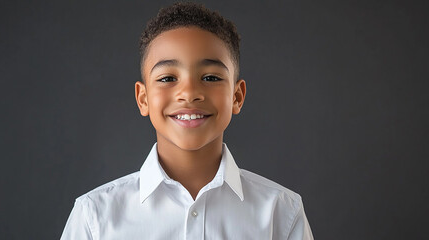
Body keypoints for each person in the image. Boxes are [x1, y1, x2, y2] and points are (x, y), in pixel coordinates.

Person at [61, 2, 313, 239]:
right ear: (143, 98)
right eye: (168, 78)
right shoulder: (94, 217)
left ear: (237, 96)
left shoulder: (281, 213)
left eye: (211, 78)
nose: (190, 93)